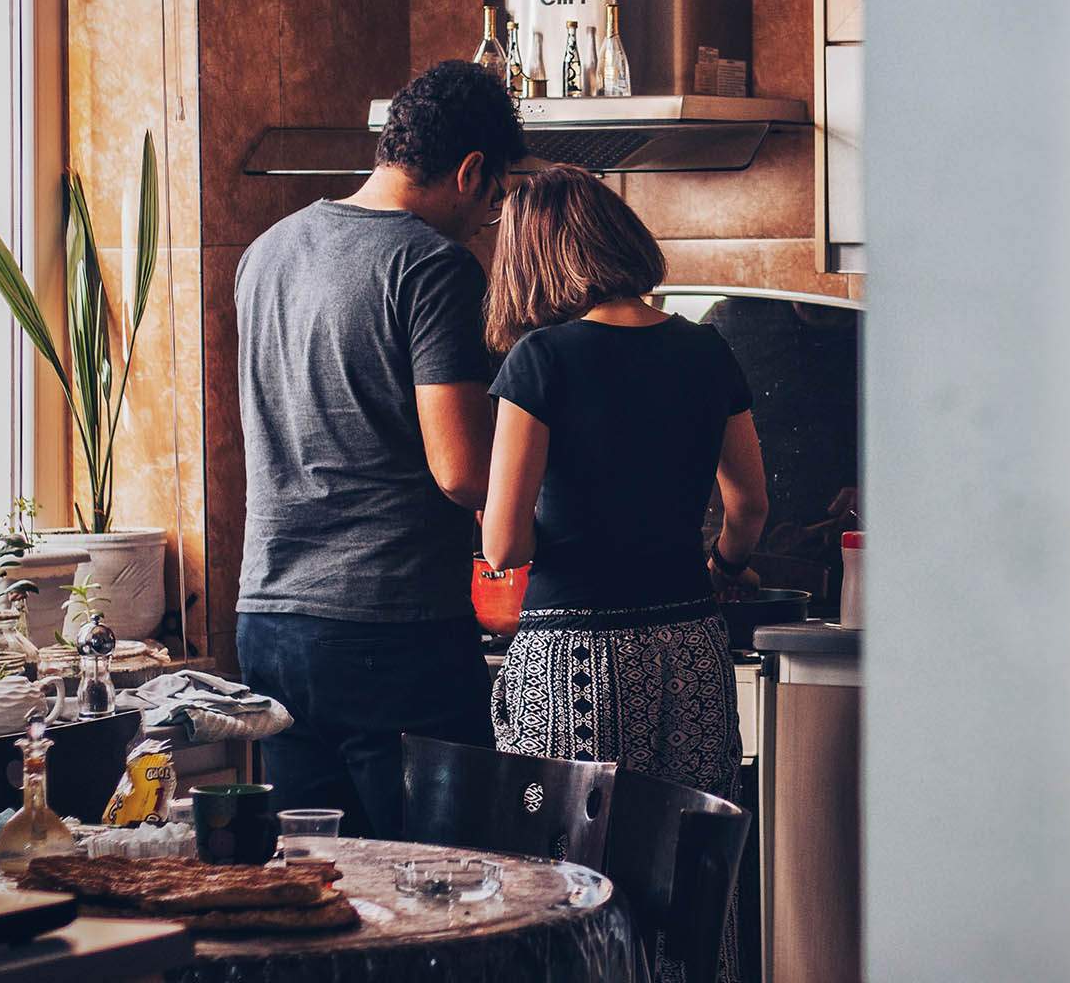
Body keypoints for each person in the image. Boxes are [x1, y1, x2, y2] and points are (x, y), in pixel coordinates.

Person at [233, 61, 525, 838]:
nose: (485, 222)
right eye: (494, 201)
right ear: (471, 172)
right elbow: (463, 472)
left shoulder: (265, 253)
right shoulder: (432, 267)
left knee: (322, 888)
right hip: (388, 630)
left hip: (269, 621)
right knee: (446, 892)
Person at [480, 164, 767, 804]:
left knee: (571, 873)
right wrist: (724, 567)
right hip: (690, 644)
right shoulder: (706, 349)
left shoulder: (541, 359)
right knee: (688, 859)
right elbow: (748, 506)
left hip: (575, 658)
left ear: (532, 260)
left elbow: (504, 548)